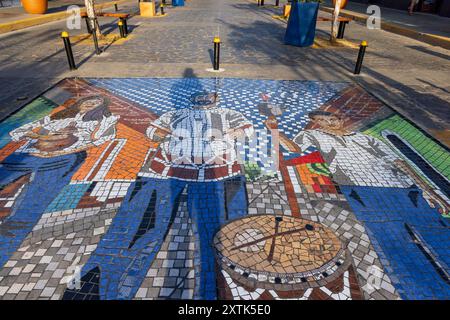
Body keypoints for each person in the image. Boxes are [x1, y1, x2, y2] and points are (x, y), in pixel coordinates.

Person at [65, 91, 254, 300]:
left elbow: (247, 129)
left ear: (216, 99)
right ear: (192, 99)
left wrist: (224, 135)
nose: (203, 99)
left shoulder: (229, 114)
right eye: (199, 96)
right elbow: (152, 130)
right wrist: (173, 136)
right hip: (162, 173)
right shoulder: (175, 114)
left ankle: (221, 291)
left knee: (220, 237)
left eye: (209, 96)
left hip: (219, 174)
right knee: (136, 229)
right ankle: (103, 289)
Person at [293, 110, 450, 299]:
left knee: (436, 232)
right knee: (392, 244)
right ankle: (421, 293)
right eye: (321, 121)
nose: (328, 123)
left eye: (332, 119)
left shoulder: (366, 139)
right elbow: (295, 148)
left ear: (341, 119)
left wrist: (427, 189)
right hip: (362, 193)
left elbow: (399, 162)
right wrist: (275, 129)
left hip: (403, 188)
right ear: (317, 124)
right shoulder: (315, 135)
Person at [0, 95, 118, 268]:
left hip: (64, 157)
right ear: (79, 103)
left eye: (96, 103)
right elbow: (19, 132)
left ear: (101, 108)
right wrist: (37, 134)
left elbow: (100, 140)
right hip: (29, 154)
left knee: (36, 199)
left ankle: (9, 240)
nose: (90, 104)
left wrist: (60, 151)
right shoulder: (56, 117)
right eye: (88, 101)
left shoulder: (103, 120)